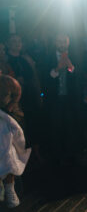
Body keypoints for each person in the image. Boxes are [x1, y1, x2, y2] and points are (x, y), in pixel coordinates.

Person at [44, 34, 81, 161]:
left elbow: (77, 74)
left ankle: (70, 154)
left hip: (70, 98)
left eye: (64, 42)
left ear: (68, 43)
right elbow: (46, 77)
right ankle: (56, 155)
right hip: (55, 98)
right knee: (55, 127)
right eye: (59, 42)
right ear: (55, 43)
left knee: (70, 126)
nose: (62, 44)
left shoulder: (74, 56)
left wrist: (70, 66)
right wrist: (58, 68)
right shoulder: (48, 57)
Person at [0, 75, 31, 208]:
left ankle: (9, 188)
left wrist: (12, 105)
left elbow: (17, 90)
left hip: (3, 122)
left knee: (7, 151)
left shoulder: (5, 81)